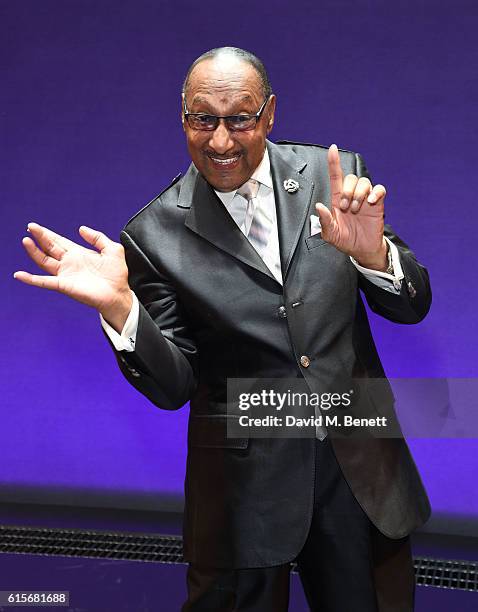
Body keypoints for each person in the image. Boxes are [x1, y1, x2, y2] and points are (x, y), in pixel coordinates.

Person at [14, 47, 432, 611]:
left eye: (240, 119)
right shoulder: (153, 234)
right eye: (202, 120)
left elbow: (412, 307)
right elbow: (173, 386)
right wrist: (120, 308)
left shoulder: (332, 178)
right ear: (183, 114)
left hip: (359, 469)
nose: (220, 141)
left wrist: (375, 255)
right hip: (242, 492)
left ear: (270, 113)